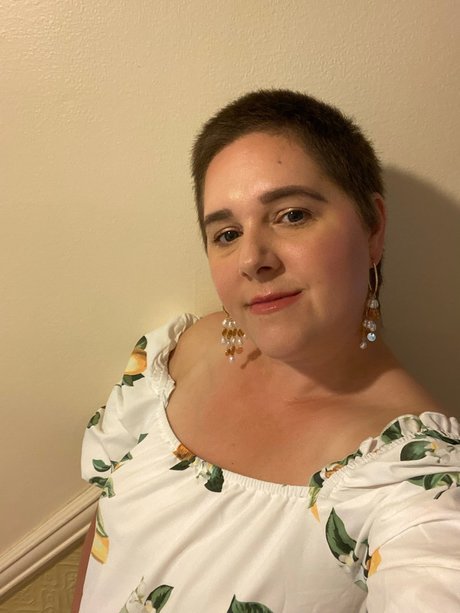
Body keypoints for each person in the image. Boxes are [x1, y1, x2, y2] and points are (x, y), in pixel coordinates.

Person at [73, 90, 460, 612]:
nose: (252, 258)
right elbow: (104, 528)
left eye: (291, 215)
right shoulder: (177, 355)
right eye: (227, 233)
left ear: (373, 227)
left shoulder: (416, 477)